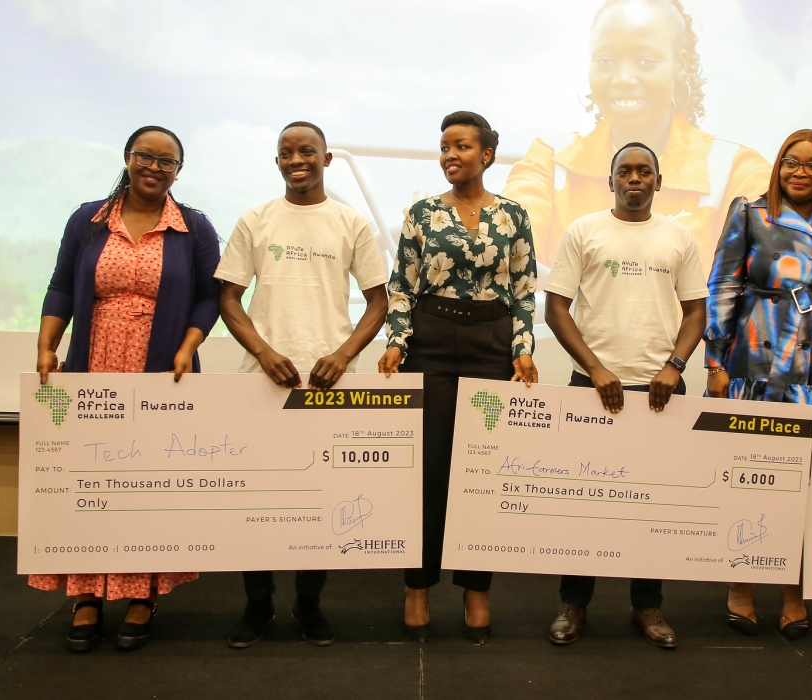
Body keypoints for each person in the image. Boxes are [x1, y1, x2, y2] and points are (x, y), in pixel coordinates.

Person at [31, 125, 222, 652]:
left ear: (178, 171)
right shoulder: (88, 220)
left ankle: (145, 592)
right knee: (90, 482)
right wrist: (49, 345)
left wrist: (187, 348)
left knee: (151, 482)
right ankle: (87, 594)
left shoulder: (195, 228)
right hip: (93, 365)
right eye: (146, 157)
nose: (155, 168)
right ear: (128, 158)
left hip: (163, 370)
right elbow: (63, 284)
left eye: (167, 162)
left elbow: (209, 298)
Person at [216, 121, 389, 648]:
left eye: (306, 151)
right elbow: (228, 297)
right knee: (259, 501)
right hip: (262, 381)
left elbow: (378, 301)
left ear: (327, 159)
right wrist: (264, 352)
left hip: (329, 385)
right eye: (286, 153)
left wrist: (342, 354)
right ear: (277, 163)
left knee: (319, 501)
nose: (297, 159)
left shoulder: (351, 223)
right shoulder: (255, 220)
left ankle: (309, 605)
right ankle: (258, 606)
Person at [705, 129, 812, 640]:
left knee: (805, 489)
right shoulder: (750, 213)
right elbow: (723, 285)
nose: (799, 173)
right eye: (790, 162)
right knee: (749, 479)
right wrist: (716, 364)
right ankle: (740, 584)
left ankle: (792, 590)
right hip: (753, 363)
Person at [380, 111, 538, 645]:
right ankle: (418, 588)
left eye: (462, 146)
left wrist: (522, 348)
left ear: (487, 154)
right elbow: (401, 286)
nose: (450, 154)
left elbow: (523, 291)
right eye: (444, 146)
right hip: (432, 342)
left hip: (490, 347)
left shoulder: (515, 215)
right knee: (428, 474)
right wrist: (397, 341)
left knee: (482, 474)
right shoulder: (421, 213)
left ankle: (476, 590)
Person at [542, 142, 707, 649]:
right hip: (591, 389)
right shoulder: (584, 230)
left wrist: (674, 367)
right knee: (586, 502)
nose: (634, 179)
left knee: (652, 504)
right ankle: (575, 604)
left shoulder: (679, 237)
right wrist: (594, 369)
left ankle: (647, 607)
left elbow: (696, 312)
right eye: (624, 171)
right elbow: (555, 308)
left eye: (644, 172)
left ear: (658, 181)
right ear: (610, 180)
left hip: (660, 390)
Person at [502, 0, 772, 272]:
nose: (623, 78)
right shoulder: (548, 164)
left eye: (645, 61)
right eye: (605, 61)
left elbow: (780, 273)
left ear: (680, 64)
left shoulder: (739, 173)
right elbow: (504, 251)